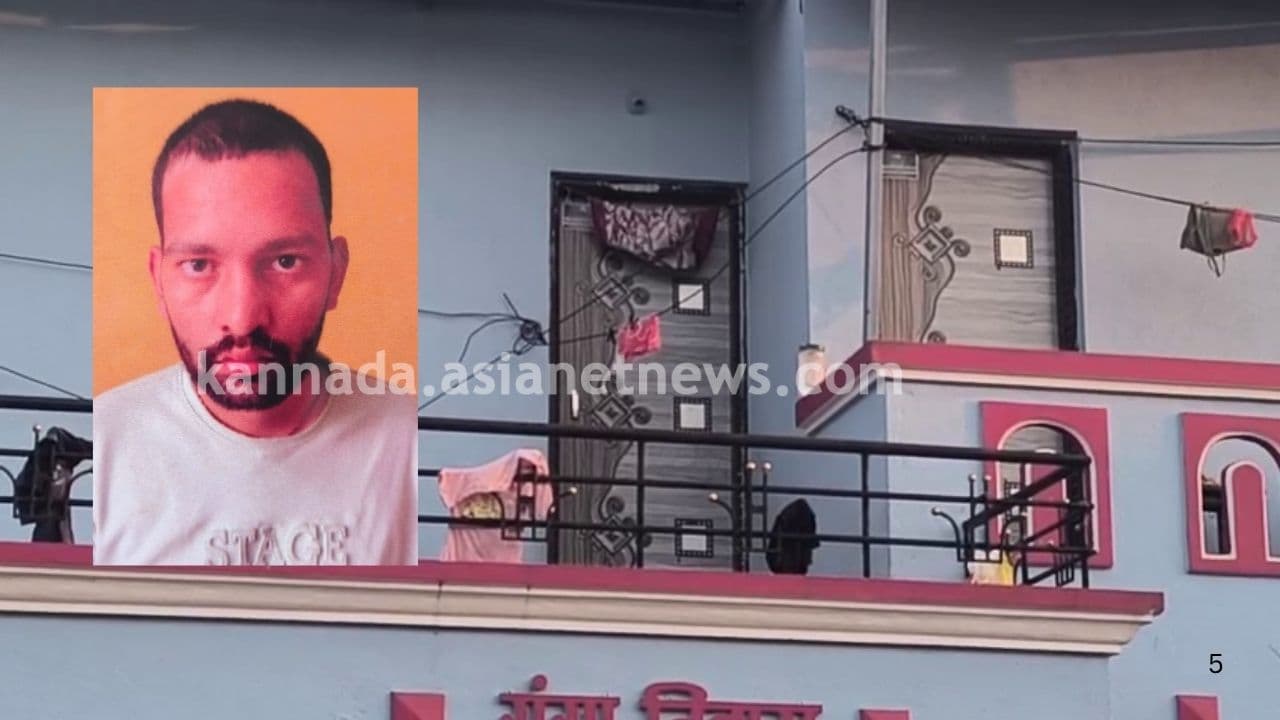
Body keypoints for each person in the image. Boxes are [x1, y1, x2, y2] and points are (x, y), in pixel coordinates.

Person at [92, 99, 418, 566]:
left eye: (285, 262)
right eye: (199, 265)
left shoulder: (408, 442)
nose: (243, 318)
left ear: (336, 272)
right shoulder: (103, 444)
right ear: (158, 280)